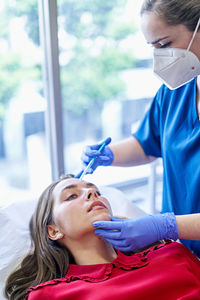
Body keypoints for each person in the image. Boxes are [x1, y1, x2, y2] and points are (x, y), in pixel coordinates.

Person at [78, 0, 200, 257]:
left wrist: (166, 226)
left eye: (164, 44)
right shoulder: (175, 93)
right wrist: (109, 154)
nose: (159, 56)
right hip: (185, 256)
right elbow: (147, 144)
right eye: (153, 47)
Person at [4, 175, 200, 300]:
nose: (91, 192)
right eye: (71, 196)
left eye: (96, 191)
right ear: (53, 231)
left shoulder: (171, 253)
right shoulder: (49, 295)